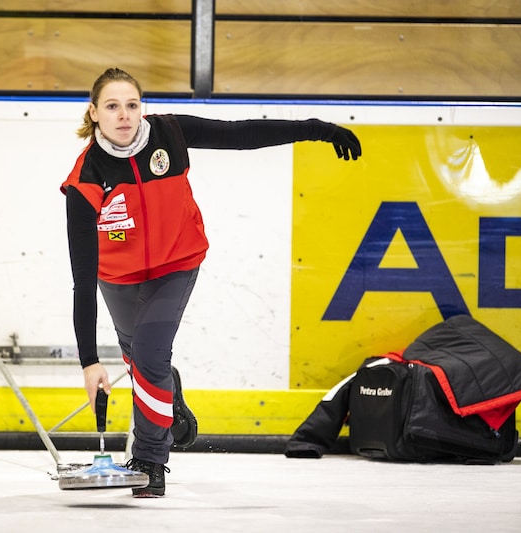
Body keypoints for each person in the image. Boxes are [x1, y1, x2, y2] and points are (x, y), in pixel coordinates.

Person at [60, 67, 362, 497]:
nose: (124, 115)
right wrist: (89, 361)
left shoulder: (168, 134)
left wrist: (316, 129)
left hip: (177, 262)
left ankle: (150, 458)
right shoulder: (85, 180)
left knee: (147, 354)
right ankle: (169, 393)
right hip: (117, 277)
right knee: (143, 360)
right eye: (112, 106)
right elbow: (82, 280)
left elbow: (240, 134)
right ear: (93, 113)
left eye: (132, 105)